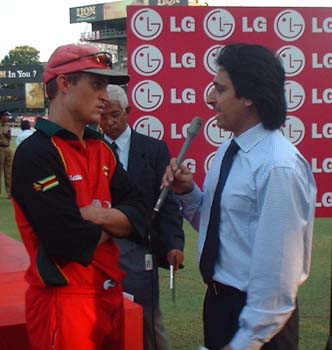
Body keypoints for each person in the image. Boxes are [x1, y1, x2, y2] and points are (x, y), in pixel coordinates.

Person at [163, 43, 317, 350]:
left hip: (260, 326)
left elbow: (277, 274)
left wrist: (244, 343)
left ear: (248, 97)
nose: (210, 98)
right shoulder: (229, 150)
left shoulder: (278, 166)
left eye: (220, 90)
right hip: (220, 306)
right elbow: (222, 229)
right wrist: (188, 194)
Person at [11, 44, 146, 350]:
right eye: (96, 84)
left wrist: (95, 214)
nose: (106, 96)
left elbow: (141, 213)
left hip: (111, 295)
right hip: (64, 302)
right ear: (63, 83)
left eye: (106, 87)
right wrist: (118, 220)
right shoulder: (35, 153)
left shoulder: (102, 148)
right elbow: (68, 241)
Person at [100, 84, 184, 350]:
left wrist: (174, 244)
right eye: (102, 115)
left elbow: (168, 202)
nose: (109, 122)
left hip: (141, 249)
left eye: (115, 114)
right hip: (101, 250)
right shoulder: (90, 149)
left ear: (128, 112)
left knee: (146, 319)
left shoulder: (154, 149)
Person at [0, 109, 13, 198]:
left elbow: (9, 137)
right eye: (6, 116)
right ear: (1, 117)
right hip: (0, 148)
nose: (8, 117)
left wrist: (6, 131)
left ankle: (9, 192)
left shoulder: (7, 126)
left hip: (8, 148)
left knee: (8, 172)